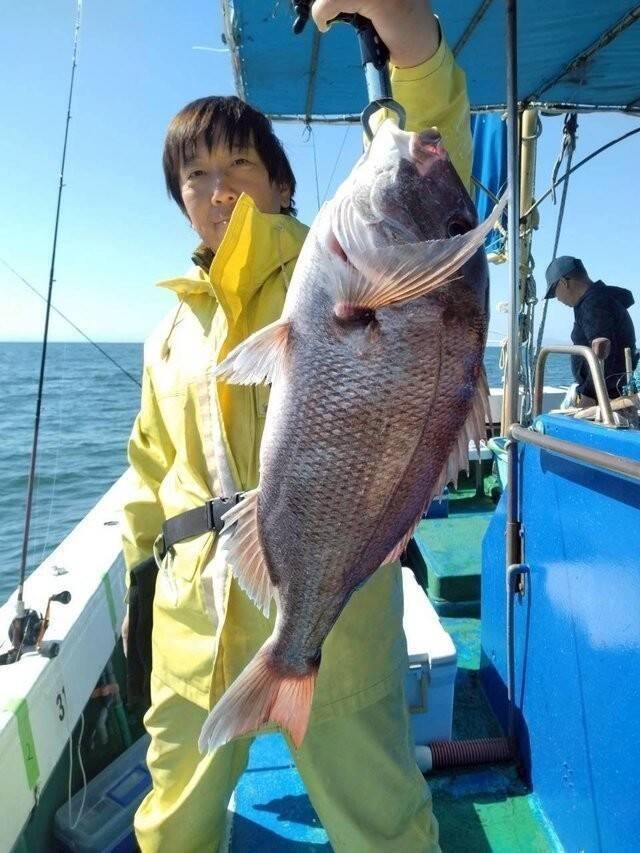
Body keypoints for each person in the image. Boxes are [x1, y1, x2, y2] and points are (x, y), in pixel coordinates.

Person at [121, 1, 473, 850]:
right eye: (196, 174)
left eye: (240, 163)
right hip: (192, 617)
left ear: (282, 184)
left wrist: (402, 29)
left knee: (381, 821)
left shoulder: (343, 263)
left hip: (335, 610)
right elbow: (150, 465)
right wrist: (138, 583)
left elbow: (432, 161)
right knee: (174, 825)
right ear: (179, 199)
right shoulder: (169, 328)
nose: (218, 187)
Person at [545, 255, 638, 406]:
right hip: (613, 390)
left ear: (563, 283)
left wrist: (589, 394)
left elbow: (601, 346)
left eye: (554, 293)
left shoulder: (592, 304)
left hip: (604, 397)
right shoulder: (604, 297)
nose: (558, 299)